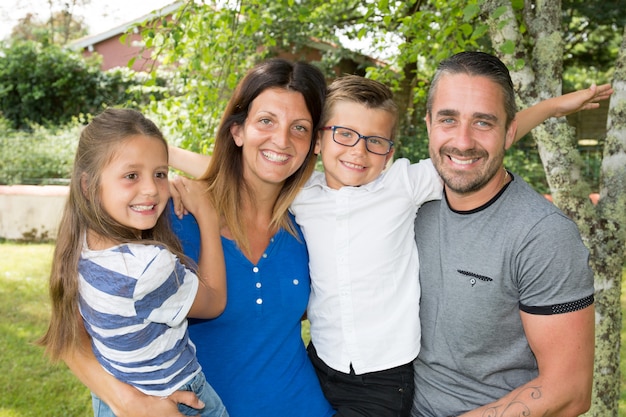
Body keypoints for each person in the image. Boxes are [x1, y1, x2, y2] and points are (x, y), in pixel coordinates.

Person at [169, 74, 610, 417]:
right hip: (320, 363)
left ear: (390, 148)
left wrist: (553, 108)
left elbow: (479, 142)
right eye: (344, 135)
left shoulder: (404, 184)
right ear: (318, 140)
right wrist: (161, 160)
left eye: (376, 142)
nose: (359, 152)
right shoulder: (303, 193)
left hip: (385, 377)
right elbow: (224, 166)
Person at [60, 60, 336, 417]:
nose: (281, 140)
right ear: (238, 131)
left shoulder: (311, 223)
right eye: (266, 121)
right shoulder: (167, 214)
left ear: (314, 142)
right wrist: (128, 402)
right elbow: (72, 333)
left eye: (299, 128)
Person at [411, 51, 595, 417]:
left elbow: (570, 391)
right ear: (429, 124)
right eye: (449, 119)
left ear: (509, 132)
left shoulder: (541, 236)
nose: (462, 142)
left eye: (483, 123)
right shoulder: (413, 199)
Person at [37, 108, 229, 417]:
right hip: (179, 397)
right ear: (88, 186)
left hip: (116, 393)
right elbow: (215, 301)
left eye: (160, 174)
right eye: (131, 176)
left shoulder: (81, 242)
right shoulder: (148, 266)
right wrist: (208, 215)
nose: (152, 189)